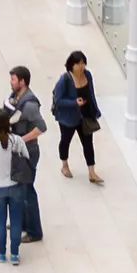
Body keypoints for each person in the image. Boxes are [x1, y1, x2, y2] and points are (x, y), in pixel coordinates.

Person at [5, 65, 47, 242]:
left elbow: (41, 127)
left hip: (28, 153)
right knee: (18, 189)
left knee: (27, 191)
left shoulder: (29, 105)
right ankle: (21, 222)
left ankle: (34, 231)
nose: (11, 82)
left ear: (22, 82)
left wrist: (22, 139)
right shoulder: (14, 98)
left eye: (14, 79)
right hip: (17, 152)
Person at [0, 107, 30, 264]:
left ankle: (2, 253)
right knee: (16, 220)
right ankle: (15, 254)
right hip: (16, 186)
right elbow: (26, 158)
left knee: (0, 220)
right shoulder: (17, 140)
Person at [51, 48, 104, 183]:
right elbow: (58, 100)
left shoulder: (88, 75)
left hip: (85, 116)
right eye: (78, 64)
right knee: (65, 140)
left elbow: (91, 93)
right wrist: (74, 102)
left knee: (88, 143)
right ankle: (64, 165)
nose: (81, 66)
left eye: (83, 63)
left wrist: (95, 110)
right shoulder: (65, 80)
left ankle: (92, 172)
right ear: (71, 65)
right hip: (68, 118)